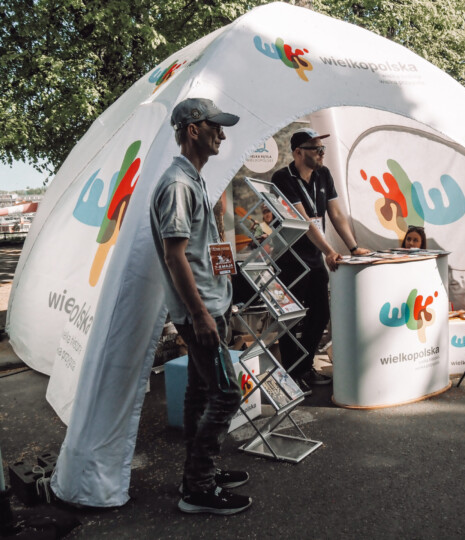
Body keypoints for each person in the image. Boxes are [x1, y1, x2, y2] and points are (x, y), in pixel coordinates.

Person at [150, 97, 252, 516]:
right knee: (227, 394)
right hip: (201, 312)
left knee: (199, 392)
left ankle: (198, 474)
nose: (222, 134)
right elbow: (175, 256)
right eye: (216, 127)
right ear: (194, 130)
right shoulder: (178, 184)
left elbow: (195, 248)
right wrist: (199, 314)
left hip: (210, 305)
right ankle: (198, 487)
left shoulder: (192, 179)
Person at [271, 127, 370, 392]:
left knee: (321, 313)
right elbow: (303, 221)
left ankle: (305, 367)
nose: (321, 153)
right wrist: (329, 250)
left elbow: (336, 214)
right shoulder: (283, 178)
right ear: (298, 152)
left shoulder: (323, 174)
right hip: (289, 258)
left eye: (322, 148)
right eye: (316, 149)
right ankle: (292, 374)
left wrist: (353, 246)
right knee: (290, 317)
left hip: (314, 257)